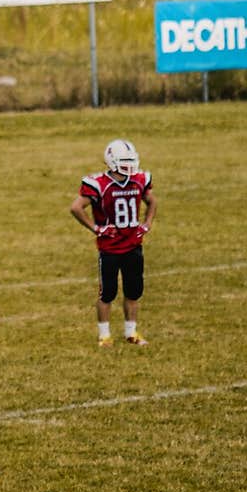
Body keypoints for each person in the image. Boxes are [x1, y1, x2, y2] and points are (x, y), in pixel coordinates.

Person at [69, 137, 157, 347]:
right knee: (107, 293)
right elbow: (76, 207)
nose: (128, 165)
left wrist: (147, 223)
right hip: (109, 248)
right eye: (123, 160)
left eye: (130, 160)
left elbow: (151, 200)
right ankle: (104, 335)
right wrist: (96, 228)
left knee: (134, 291)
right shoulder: (98, 184)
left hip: (133, 246)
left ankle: (131, 332)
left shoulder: (139, 179)